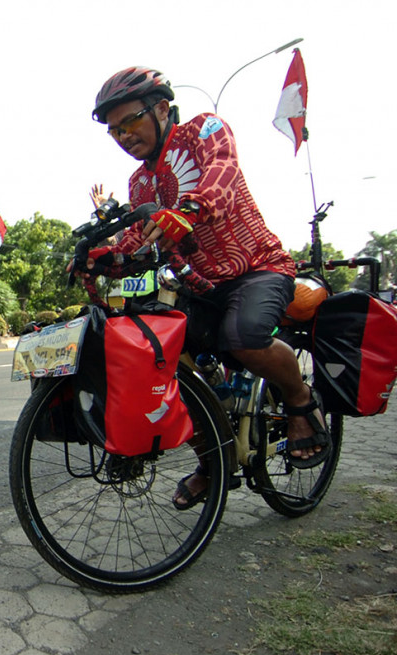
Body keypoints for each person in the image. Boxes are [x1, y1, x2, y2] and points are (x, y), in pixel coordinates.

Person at [87, 66, 332, 510]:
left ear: (162, 108)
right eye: (114, 131)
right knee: (163, 366)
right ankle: (212, 461)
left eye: (130, 122)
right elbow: (139, 243)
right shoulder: (141, 181)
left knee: (244, 338)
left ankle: (300, 401)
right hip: (200, 286)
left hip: (257, 268)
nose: (123, 136)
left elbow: (221, 174)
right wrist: (103, 257)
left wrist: (190, 208)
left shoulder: (206, 129)